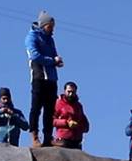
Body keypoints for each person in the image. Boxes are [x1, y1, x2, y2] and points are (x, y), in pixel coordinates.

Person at [25, 11, 63, 147]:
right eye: (50, 26)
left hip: (52, 79)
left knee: (50, 109)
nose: (52, 29)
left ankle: (48, 137)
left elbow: (54, 54)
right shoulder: (32, 37)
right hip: (39, 77)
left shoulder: (50, 39)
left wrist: (57, 61)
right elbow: (34, 56)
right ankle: (34, 136)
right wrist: (52, 60)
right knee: (36, 108)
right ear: (43, 25)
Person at [52, 81, 89, 149]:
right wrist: (66, 123)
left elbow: (86, 125)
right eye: (69, 91)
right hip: (63, 141)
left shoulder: (78, 106)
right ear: (64, 91)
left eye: (73, 92)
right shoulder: (58, 103)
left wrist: (77, 126)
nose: (70, 94)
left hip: (77, 142)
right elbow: (51, 121)